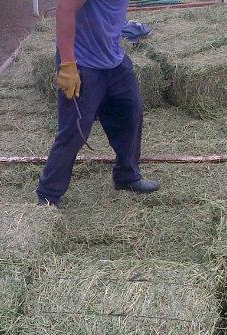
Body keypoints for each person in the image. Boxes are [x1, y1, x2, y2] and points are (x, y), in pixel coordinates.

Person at [36, 0, 160, 206]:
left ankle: (126, 176)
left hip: (114, 59)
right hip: (82, 63)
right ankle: (49, 194)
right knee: (74, 131)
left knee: (130, 115)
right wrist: (67, 64)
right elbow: (65, 9)